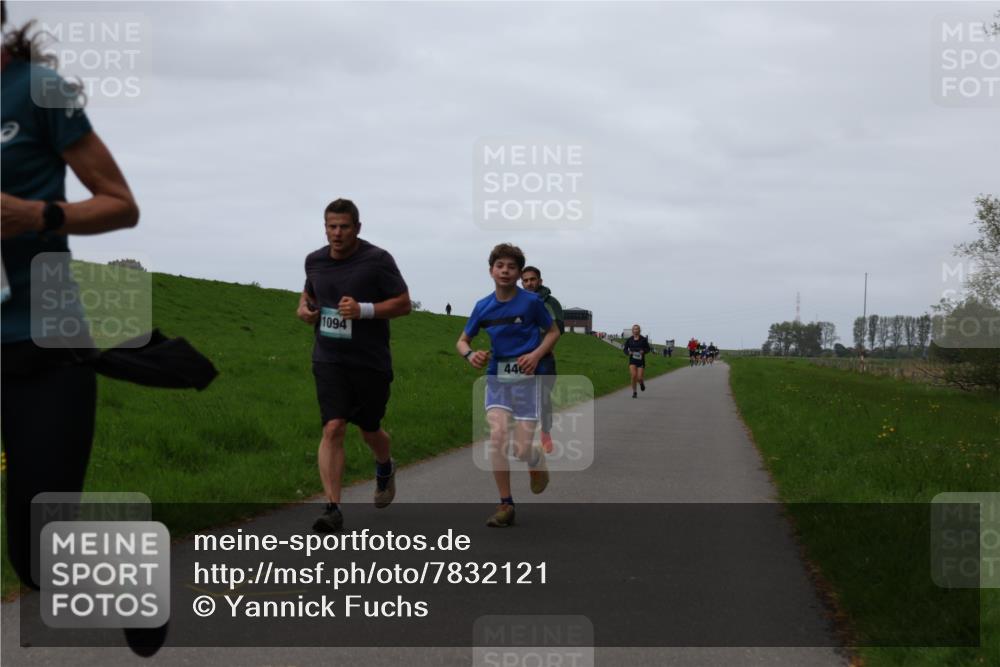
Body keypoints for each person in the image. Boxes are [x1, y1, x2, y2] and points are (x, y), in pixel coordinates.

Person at [0, 5, 173, 656]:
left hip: (42, 346)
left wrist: (36, 214)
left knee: (39, 552)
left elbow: (119, 203)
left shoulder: (38, 90)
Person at [297, 198, 411, 533]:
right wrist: (304, 311)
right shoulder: (314, 261)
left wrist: (364, 310)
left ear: (357, 228)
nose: (337, 233)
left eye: (344, 226)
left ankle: (384, 465)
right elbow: (307, 297)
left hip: (369, 361)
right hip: (328, 358)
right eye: (331, 226)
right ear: (325, 227)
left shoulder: (377, 260)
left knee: (370, 429)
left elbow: (404, 304)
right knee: (333, 427)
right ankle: (332, 507)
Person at [456, 244, 559, 528]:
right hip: (497, 379)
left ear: (518, 273)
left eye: (511, 267)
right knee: (498, 435)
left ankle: (534, 456)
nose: (505, 270)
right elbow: (462, 340)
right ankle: (506, 504)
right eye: (500, 265)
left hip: (528, 382)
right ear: (491, 270)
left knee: (520, 449)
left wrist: (536, 355)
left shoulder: (531, 303)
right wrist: (469, 354)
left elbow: (553, 332)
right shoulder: (483, 306)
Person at [520, 265, 564, 454]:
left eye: (532, 279)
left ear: (540, 281)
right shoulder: (517, 301)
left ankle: (545, 432)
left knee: (543, 399)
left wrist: (540, 351)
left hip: (544, 359)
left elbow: (557, 330)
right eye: (526, 280)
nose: (529, 283)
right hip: (520, 359)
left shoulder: (550, 302)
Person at [623, 324, 651, 398]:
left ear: (639, 330)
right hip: (632, 360)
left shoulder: (643, 339)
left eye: (637, 329)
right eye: (634, 329)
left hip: (641, 361)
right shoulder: (629, 340)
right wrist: (628, 352)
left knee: (639, 378)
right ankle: (634, 392)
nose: (636, 330)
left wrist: (643, 351)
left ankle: (641, 383)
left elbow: (648, 349)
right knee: (633, 376)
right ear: (632, 331)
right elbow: (625, 349)